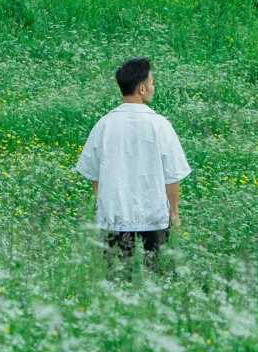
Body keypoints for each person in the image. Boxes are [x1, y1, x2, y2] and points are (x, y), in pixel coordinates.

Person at [75, 57, 190, 262]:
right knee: (159, 275)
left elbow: (94, 174)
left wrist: (101, 208)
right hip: (154, 216)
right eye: (152, 83)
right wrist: (174, 213)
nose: (154, 88)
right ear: (142, 89)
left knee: (116, 278)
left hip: (114, 216)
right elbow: (172, 176)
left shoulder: (104, 125)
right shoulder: (160, 125)